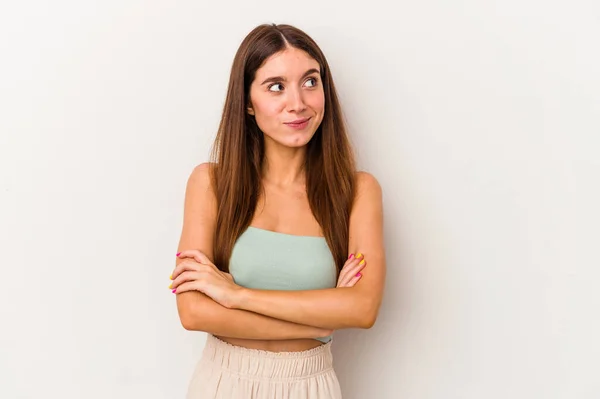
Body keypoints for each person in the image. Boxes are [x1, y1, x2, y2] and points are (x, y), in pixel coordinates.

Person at [169, 23, 386, 399]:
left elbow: (363, 308)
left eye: (310, 82)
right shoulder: (211, 184)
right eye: (276, 86)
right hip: (223, 383)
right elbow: (193, 312)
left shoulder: (357, 192)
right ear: (248, 102)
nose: (297, 103)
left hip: (310, 386)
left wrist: (236, 295)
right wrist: (321, 322)